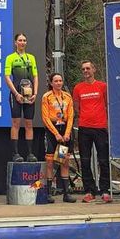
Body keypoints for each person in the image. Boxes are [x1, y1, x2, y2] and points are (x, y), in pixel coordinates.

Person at [72, 60, 112, 203]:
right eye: (83, 69)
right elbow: (76, 107)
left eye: (88, 68)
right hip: (84, 128)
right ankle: (89, 191)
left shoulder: (103, 86)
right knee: (85, 161)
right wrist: (85, 117)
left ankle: (105, 190)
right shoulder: (78, 88)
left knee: (103, 160)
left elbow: (108, 104)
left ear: (94, 70)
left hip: (100, 127)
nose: (85, 71)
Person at [41, 73, 77, 203]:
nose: (58, 83)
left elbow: (71, 116)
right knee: (50, 162)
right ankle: (48, 193)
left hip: (64, 131)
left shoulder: (67, 96)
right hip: (52, 132)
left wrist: (67, 133)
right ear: (51, 83)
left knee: (63, 161)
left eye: (60, 80)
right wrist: (56, 133)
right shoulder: (47, 97)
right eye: (56, 81)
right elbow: (45, 117)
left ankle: (66, 194)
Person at [4, 33, 39, 162]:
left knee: (29, 123)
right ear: (15, 42)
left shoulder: (31, 58)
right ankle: (15, 154)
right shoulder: (10, 58)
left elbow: (35, 76)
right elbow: (7, 77)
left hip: (29, 95)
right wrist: (16, 93)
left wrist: (35, 93)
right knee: (16, 123)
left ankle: (30, 154)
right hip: (16, 95)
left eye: (24, 40)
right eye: (20, 40)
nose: (22, 42)